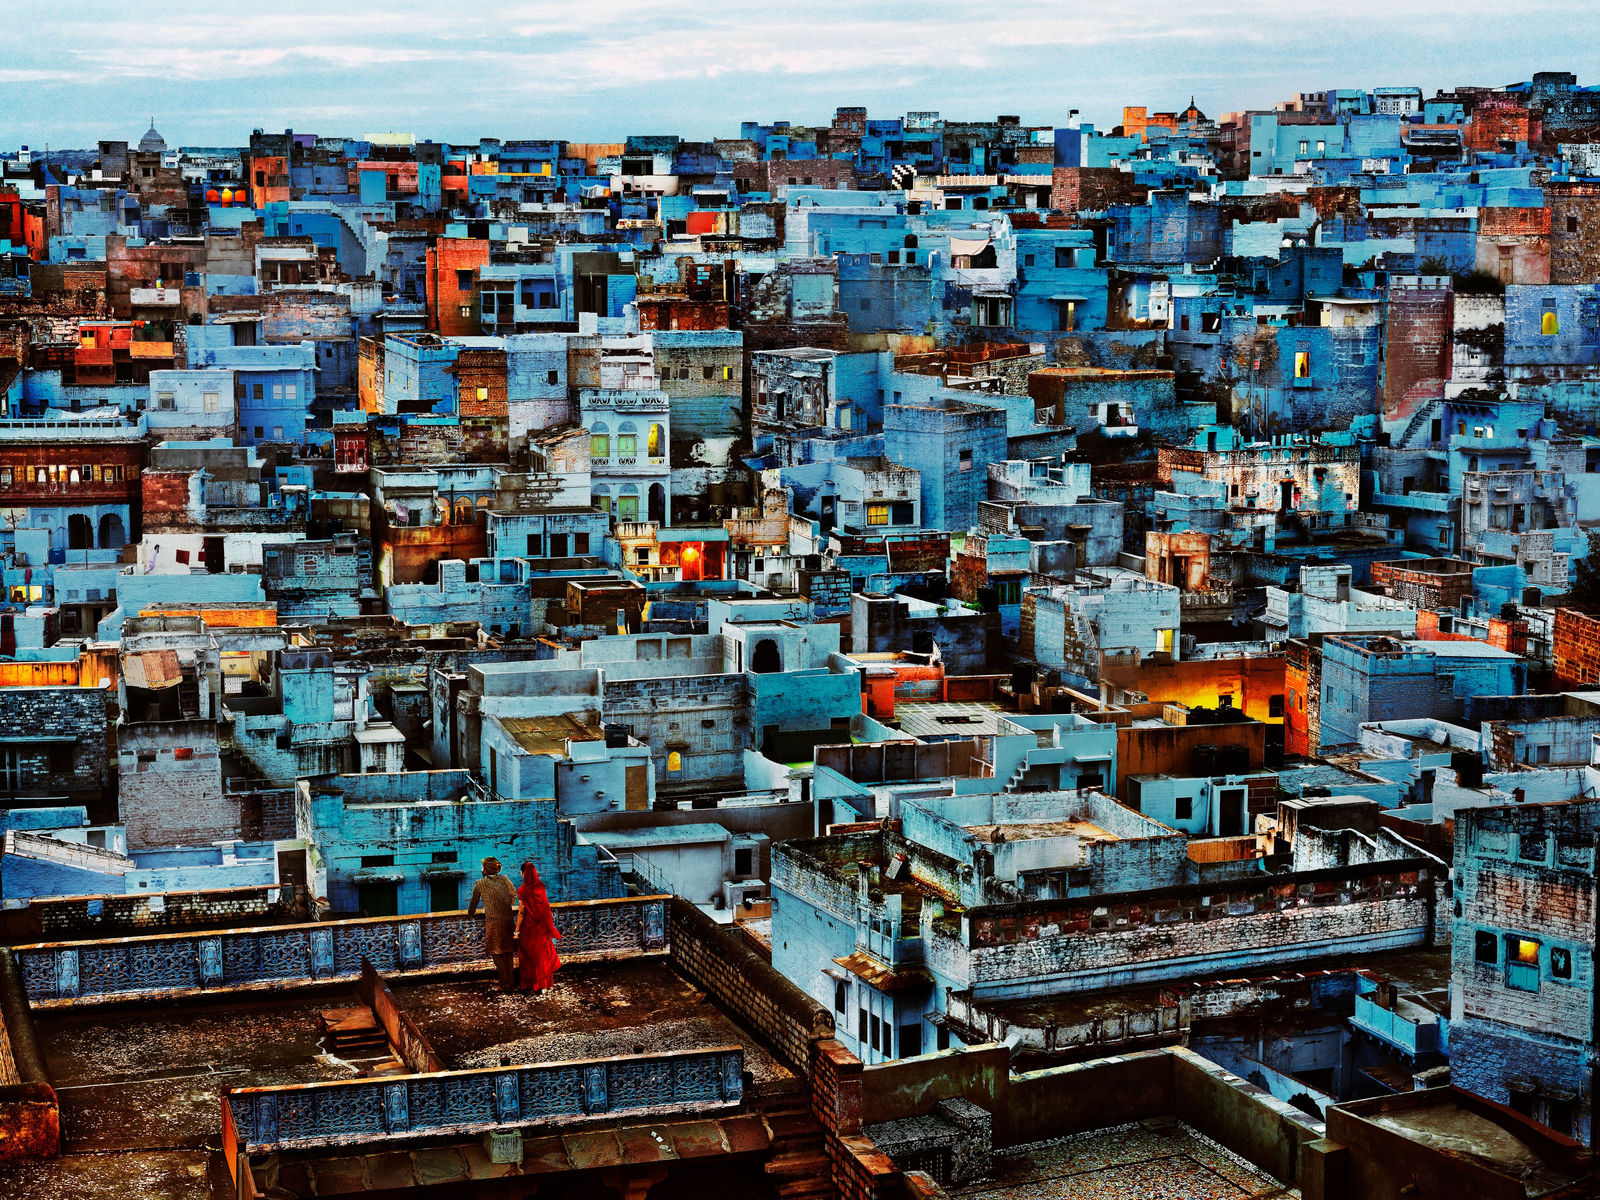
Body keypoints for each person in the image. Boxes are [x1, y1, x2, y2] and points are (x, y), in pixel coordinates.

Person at [467, 856, 517, 990]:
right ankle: (511, 980)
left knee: (495, 952)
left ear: (486, 869)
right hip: (508, 920)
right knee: (508, 952)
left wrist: (471, 913)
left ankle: (505, 981)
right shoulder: (505, 879)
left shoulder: (480, 883)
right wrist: (507, 905)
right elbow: (513, 895)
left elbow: (474, 902)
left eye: (483, 867)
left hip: (493, 922)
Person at [515, 861, 562, 994]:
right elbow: (544, 907)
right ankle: (544, 985)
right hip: (541, 927)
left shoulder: (522, 890)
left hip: (529, 928)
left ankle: (532, 985)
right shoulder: (541, 887)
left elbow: (521, 912)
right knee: (542, 956)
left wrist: (516, 930)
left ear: (524, 873)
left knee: (529, 957)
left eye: (521, 872)